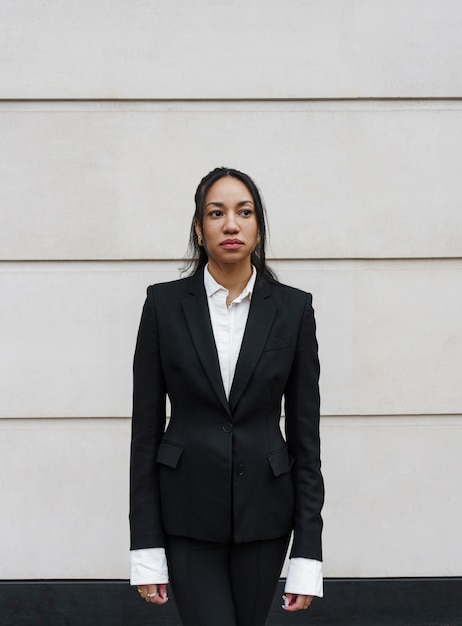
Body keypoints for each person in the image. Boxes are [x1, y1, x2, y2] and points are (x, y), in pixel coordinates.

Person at [129, 167, 324, 626]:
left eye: (244, 212)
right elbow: (144, 434)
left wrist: (308, 555)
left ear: (258, 226)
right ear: (199, 228)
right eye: (216, 213)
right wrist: (146, 547)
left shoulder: (294, 309)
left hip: (267, 516)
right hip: (186, 513)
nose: (231, 224)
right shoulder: (163, 305)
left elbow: (305, 439)